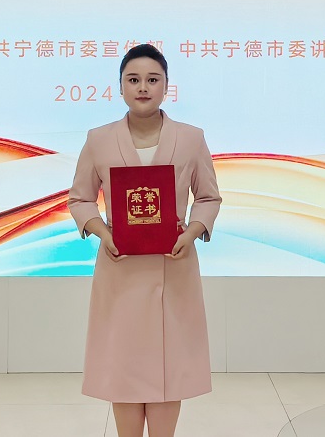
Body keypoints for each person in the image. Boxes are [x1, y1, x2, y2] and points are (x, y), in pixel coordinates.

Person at [68, 44, 222, 437]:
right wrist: (103, 232)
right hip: (120, 267)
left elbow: (208, 197)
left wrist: (192, 231)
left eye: (152, 80)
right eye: (133, 79)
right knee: (124, 362)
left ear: (166, 86)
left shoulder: (191, 138)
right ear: (120, 86)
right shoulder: (99, 139)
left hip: (174, 264)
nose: (143, 87)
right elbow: (80, 199)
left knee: (171, 364)